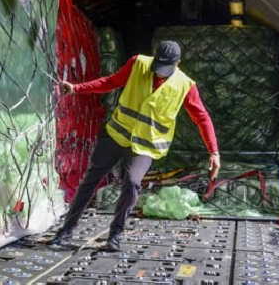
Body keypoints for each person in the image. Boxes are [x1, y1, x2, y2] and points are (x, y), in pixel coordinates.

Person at [49, 40, 220, 251]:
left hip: (146, 145)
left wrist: (214, 151)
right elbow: (110, 82)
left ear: (178, 64)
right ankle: (65, 232)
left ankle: (115, 236)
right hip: (117, 134)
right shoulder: (138, 64)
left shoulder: (185, 85)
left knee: (131, 182)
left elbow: (201, 117)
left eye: (165, 71)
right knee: (91, 179)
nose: (159, 74)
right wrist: (76, 89)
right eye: (158, 68)